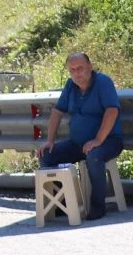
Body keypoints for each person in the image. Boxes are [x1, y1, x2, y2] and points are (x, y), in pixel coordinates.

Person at [37, 52, 124, 220]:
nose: (77, 73)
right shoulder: (71, 85)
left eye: (81, 68)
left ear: (90, 67)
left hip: (108, 141)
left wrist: (98, 140)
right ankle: (62, 204)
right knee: (47, 156)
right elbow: (57, 112)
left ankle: (98, 207)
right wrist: (49, 140)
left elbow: (112, 111)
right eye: (72, 70)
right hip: (78, 143)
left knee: (94, 156)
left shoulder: (103, 82)